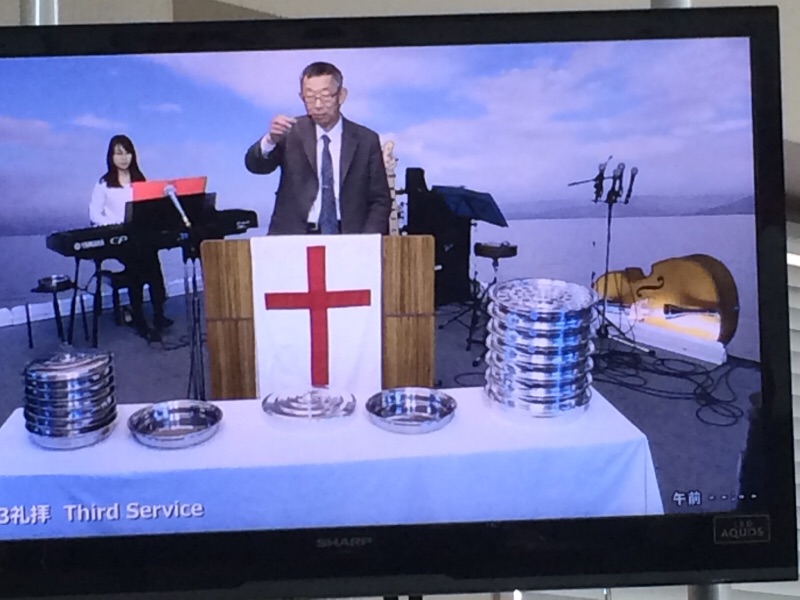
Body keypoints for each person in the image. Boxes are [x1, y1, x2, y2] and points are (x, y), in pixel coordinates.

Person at [244, 61, 392, 235]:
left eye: (326, 95)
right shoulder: (290, 132)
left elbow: (380, 200)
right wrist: (270, 140)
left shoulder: (366, 140)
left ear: (341, 95)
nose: (318, 104)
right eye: (310, 97)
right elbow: (256, 166)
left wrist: (368, 240)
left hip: (349, 237)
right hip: (293, 237)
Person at [89, 134, 173, 342]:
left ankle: (158, 314)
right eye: (118, 153)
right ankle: (140, 319)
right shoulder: (104, 183)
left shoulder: (140, 180)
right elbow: (94, 214)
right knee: (139, 262)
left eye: (127, 153)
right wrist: (114, 224)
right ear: (111, 156)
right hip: (119, 238)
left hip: (140, 235)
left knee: (152, 262)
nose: (123, 158)